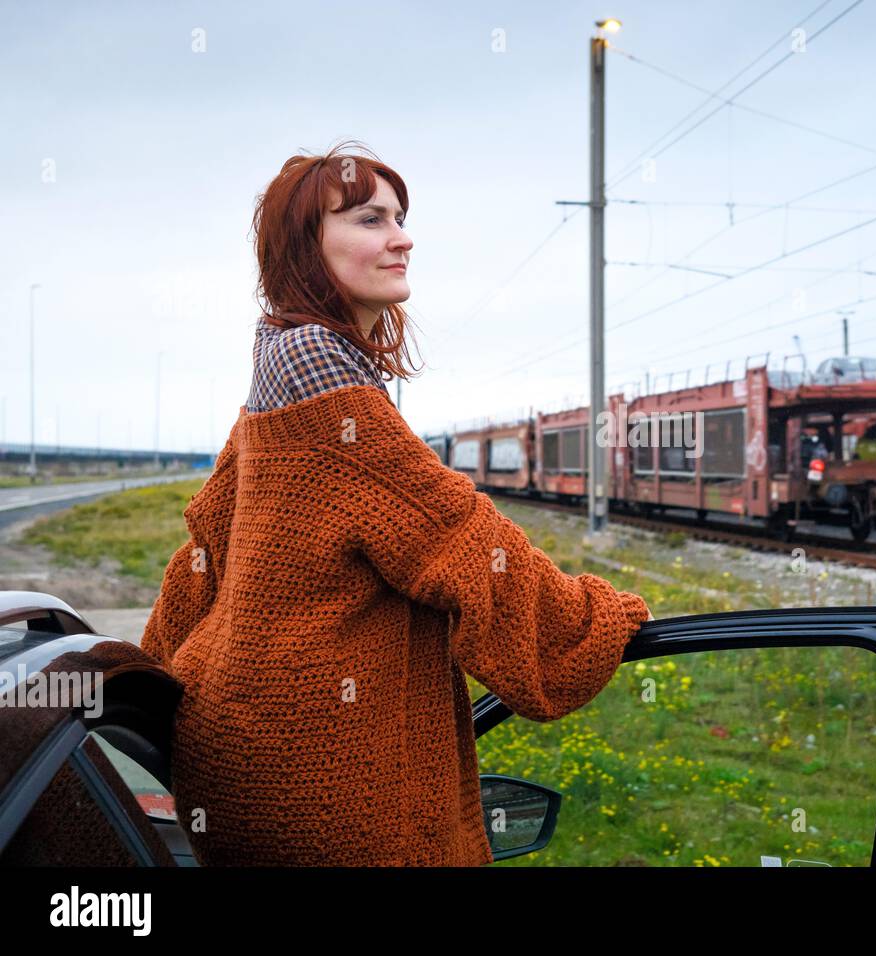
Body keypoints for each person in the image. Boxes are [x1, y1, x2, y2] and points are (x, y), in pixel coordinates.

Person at [140, 140, 652, 866]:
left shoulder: (279, 366)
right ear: (304, 249)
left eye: (401, 217)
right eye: (369, 219)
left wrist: (151, 677)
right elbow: (460, 537)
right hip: (321, 781)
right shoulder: (322, 374)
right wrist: (595, 621)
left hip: (242, 756)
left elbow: (203, 549)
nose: (402, 236)